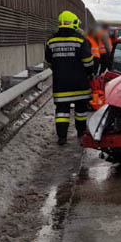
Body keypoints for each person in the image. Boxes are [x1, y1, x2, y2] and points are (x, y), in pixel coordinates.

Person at [45, 11, 94, 145]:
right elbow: (88, 62)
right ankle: (81, 133)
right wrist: (91, 74)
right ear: (74, 24)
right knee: (80, 111)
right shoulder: (81, 40)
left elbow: (48, 62)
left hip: (61, 83)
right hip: (80, 84)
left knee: (62, 111)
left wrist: (59, 70)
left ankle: (62, 137)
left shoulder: (51, 41)